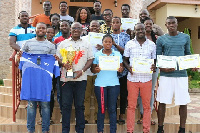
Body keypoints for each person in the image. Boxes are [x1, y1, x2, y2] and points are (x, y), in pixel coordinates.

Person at [56, 22, 94, 133]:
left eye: (78, 28)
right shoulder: (63, 44)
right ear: (70, 30)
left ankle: (80, 130)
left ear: (82, 30)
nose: (76, 30)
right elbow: (57, 58)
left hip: (81, 79)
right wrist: (63, 64)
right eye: (74, 28)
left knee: (80, 105)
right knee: (66, 105)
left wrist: (82, 70)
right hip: (66, 79)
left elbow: (90, 59)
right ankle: (65, 130)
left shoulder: (87, 44)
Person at [20, 22, 57, 133]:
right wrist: (19, 57)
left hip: (45, 79)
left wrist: (55, 58)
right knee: (31, 105)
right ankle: (30, 130)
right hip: (31, 79)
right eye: (39, 28)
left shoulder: (51, 46)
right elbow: (21, 59)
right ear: (35, 30)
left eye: (43, 28)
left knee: (45, 104)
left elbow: (53, 62)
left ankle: (45, 130)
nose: (41, 30)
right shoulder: (27, 43)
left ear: (46, 31)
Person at [156, 16, 191, 133]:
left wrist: (192, 64)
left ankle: (182, 129)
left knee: (183, 102)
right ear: (166, 25)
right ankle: (160, 128)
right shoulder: (161, 39)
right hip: (166, 76)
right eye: (169, 23)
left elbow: (188, 55)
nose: (171, 25)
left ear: (177, 24)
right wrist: (163, 69)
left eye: (173, 23)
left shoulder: (185, 37)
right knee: (162, 101)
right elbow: (158, 59)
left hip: (181, 75)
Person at [123, 23, 156, 133]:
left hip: (146, 79)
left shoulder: (152, 45)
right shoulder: (129, 44)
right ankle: (130, 130)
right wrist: (128, 68)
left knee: (147, 107)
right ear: (134, 31)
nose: (140, 31)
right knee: (131, 106)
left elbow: (154, 62)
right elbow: (125, 60)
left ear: (145, 30)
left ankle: (146, 130)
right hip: (132, 79)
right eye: (138, 29)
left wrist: (153, 66)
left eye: (142, 29)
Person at [91, 34, 123, 133]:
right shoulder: (97, 54)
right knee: (102, 108)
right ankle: (100, 130)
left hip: (114, 84)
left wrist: (121, 69)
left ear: (112, 43)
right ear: (102, 43)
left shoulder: (117, 54)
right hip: (100, 85)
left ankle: (113, 130)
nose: (108, 44)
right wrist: (96, 69)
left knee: (112, 108)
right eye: (106, 42)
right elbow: (92, 69)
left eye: (110, 42)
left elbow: (121, 68)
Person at [137, 17, 158, 125]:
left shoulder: (156, 38)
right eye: (146, 24)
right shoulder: (138, 37)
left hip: (153, 68)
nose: (148, 26)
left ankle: (148, 116)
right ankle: (142, 114)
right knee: (141, 91)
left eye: (150, 24)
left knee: (150, 91)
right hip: (140, 68)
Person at [111, 16, 130, 125]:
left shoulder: (126, 36)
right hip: (112, 70)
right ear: (111, 24)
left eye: (117, 22)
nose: (115, 24)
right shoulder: (108, 36)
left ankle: (122, 114)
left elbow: (126, 52)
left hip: (123, 70)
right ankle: (112, 114)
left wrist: (115, 45)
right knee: (113, 94)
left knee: (123, 93)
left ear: (120, 24)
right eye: (114, 22)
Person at [82, 20, 102, 124]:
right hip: (87, 72)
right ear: (89, 27)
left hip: (100, 72)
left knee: (98, 96)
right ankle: (85, 116)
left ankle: (97, 117)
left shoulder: (104, 39)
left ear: (99, 28)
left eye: (96, 26)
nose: (94, 27)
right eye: (92, 26)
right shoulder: (84, 39)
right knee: (86, 95)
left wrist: (102, 48)